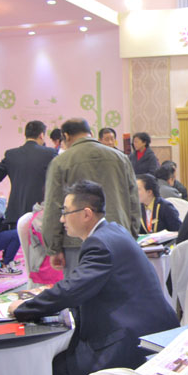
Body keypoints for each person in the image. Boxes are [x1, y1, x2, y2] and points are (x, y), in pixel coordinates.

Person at [9, 180, 179, 375]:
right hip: (151, 328)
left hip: (132, 340)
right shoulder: (113, 231)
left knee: (53, 369)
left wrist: (25, 308)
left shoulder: (99, 244)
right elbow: (80, 284)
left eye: (66, 212)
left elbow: (72, 290)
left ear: (86, 214)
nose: (62, 219)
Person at [42, 118, 141, 276]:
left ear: (66, 136)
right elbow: (134, 201)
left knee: (81, 288)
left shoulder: (60, 162)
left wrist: (54, 247)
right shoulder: (121, 158)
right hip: (118, 236)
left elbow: (53, 206)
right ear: (91, 133)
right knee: (118, 287)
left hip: (77, 241)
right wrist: (132, 234)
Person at [0, 120, 57, 228]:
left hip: (16, 213)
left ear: (25, 134)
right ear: (41, 135)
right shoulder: (50, 153)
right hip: (40, 213)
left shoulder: (11, 155)